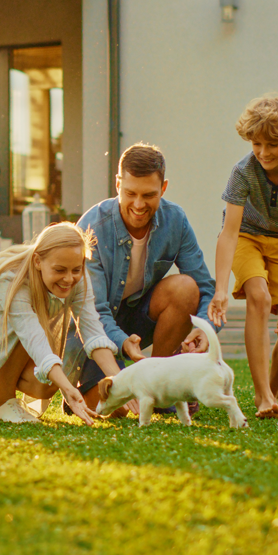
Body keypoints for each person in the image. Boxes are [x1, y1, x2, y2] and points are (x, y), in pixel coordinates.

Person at [65, 143, 218, 415]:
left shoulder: (176, 221)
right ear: (117, 184)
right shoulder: (92, 226)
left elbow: (206, 288)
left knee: (185, 288)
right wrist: (123, 343)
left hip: (138, 318)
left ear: (164, 188)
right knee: (118, 410)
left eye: (149, 195)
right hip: (92, 329)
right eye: (130, 193)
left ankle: (159, 384)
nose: (138, 204)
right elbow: (94, 312)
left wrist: (205, 329)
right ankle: (85, 387)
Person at [0, 222, 121, 424]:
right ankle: (1, 403)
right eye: (60, 270)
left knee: (44, 386)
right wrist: (69, 389)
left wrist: (123, 383)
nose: (69, 278)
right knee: (35, 338)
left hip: (8, 336)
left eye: (76, 269)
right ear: (38, 261)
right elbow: (31, 336)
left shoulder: (76, 277)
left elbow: (93, 333)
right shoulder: (12, 278)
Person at [208, 94, 278, 419]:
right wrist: (220, 289)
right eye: (256, 144)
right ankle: (261, 394)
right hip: (247, 236)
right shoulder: (243, 171)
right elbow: (229, 233)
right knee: (258, 296)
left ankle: (271, 393)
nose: (263, 153)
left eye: (272, 145)